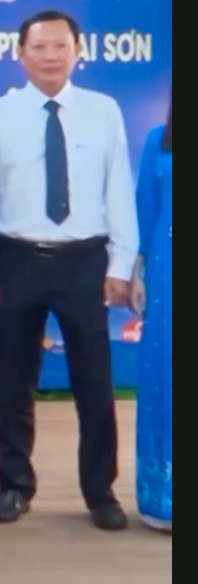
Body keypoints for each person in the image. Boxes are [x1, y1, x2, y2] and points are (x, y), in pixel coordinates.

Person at [0, 10, 137, 532]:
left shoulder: (103, 111)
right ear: (20, 54)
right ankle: (14, 486)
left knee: (95, 383)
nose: (50, 56)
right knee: (14, 382)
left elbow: (118, 189)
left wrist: (121, 263)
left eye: (60, 46)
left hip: (85, 261)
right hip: (16, 260)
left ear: (77, 52)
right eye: (39, 47)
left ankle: (100, 492)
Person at [130, 99, 171, 533]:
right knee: (167, 371)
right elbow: (145, 208)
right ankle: (164, 497)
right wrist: (137, 270)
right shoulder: (158, 140)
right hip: (167, 268)